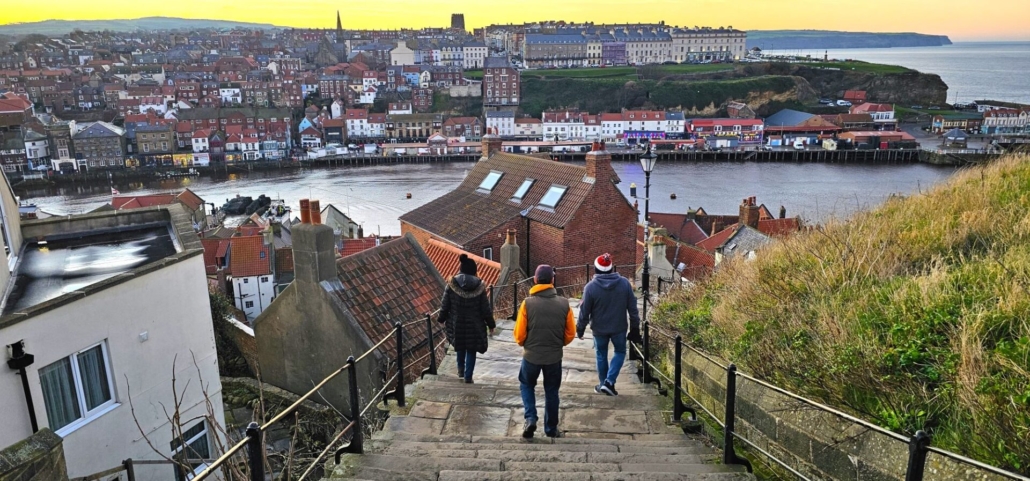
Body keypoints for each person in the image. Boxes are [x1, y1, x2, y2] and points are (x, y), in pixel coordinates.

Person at [514, 265, 576, 438]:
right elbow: (571, 333)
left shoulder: (527, 304)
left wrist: (526, 344)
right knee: (551, 391)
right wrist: (559, 343)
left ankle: (531, 418)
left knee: (526, 384)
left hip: (531, 356)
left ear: (535, 280)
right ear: (552, 281)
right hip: (554, 357)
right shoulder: (564, 304)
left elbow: (519, 335)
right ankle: (551, 429)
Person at [577, 253, 641, 396]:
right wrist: (635, 327)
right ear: (612, 268)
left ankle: (603, 384)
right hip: (619, 327)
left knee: (601, 355)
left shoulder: (590, 287)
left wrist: (580, 329)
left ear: (595, 269)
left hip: (599, 329)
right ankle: (609, 382)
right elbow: (633, 308)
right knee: (620, 352)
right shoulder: (624, 283)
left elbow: (584, 312)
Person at [439, 254, 496, 384]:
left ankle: (460, 370)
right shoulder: (480, 287)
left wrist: (441, 319)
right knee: (471, 349)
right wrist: (491, 324)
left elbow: (445, 304)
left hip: (456, 323)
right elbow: (485, 309)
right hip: (474, 325)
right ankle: (468, 376)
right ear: (474, 270)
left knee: (460, 345)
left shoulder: (451, 284)